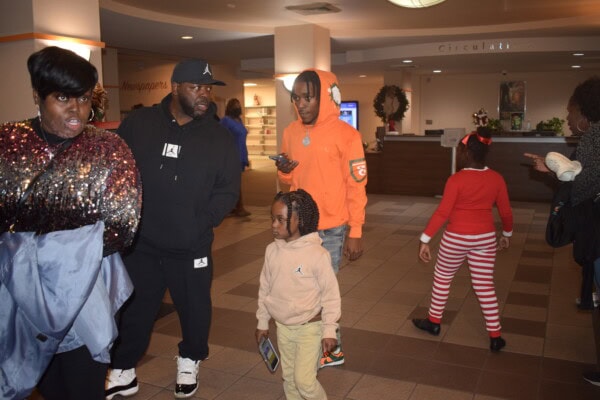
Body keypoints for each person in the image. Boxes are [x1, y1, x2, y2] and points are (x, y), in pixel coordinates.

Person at [0, 46, 141, 400]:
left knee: (83, 387)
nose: (77, 109)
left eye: (82, 98)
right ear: (38, 96)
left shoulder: (109, 148)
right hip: (21, 295)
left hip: (84, 293)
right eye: (63, 98)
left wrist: (35, 248)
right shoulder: (8, 143)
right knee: (45, 385)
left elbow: (123, 224)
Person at [106, 59, 241, 399]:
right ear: (176, 87)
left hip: (191, 244)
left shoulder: (218, 137)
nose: (204, 95)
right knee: (136, 307)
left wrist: (204, 220)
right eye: (197, 87)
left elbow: (228, 190)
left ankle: (190, 359)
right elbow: (116, 170)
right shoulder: (139, 124)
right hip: (143, 244)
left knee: (195, 307)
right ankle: (123, 367)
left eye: (208, 88)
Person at [274, 69, 367, 368]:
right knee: (302, 290)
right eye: (296, 98)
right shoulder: (290, 132)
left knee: (323, 291)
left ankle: (326, 348)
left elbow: (356, 186)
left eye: (307, 97)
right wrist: (285, 170)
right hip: (299, 228)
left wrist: (356, 230)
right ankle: (327, 346)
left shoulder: (347, 135)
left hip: (333, 229)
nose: (300, 104)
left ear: (326, 97)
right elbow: (287, 179)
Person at [412, 126, 513, 352]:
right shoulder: (496, 179)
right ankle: (495, 336)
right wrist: (507, 234)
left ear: (465, 153)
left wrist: (425, 239)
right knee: (484, 285)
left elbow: (442, 213)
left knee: (443, 278)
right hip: (485, 239)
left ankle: (434, 322)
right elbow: (506, 212)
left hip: (455, 238)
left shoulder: (456, 180)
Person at [524, 76, 600, 311]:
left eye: (572, 111)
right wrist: (552, 170)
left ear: (585, 115)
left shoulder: (592, 140)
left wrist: (557, 176)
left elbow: (581, 188)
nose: (568, 117)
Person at [256, 189, 341, 400]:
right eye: (272, 219)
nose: (274, 224)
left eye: (280, 219)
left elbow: (330, 295)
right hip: (283, 327)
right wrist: (262, 323)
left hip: (309, 329)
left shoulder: (317, 255)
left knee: (305, 382)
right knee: (290, 380)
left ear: (299, 220)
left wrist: (329, 330)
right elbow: (264, 288)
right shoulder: (271, 251)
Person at [220, 97, 251, 217]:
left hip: (241, 153)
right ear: (230, 107)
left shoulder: (239, 120)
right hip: (231, 155)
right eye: (235, 105)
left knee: (235, 182)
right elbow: (220, 137)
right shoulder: (225, 120)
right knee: (234, 182)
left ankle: (234, 207)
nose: (237, 107)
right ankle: (238, 207)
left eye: (239, 105)